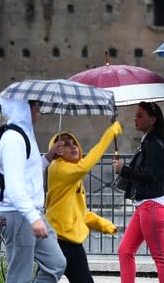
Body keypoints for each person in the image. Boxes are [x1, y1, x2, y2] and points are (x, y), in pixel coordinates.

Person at [0, 98, 66, 282]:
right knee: (20, 276)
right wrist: (33, 218)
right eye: (34, 105)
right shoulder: (13, 139)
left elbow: (29, 172)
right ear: (22, 108)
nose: (38, 110)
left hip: (28, 212)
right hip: (17, 212)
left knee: (55, 263)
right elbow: (14, 186)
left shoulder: (25, 135)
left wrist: (49, 156)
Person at [45, 120, 123, 283]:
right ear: (57, 150)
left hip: (69, 240)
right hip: (59, 240)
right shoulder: (59, 168)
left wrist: (104, 225)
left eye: (74, 143)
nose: (73, 147)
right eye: (65, 144)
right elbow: (86, 165)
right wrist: (109, 134)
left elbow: (78, 212)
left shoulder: (73, 176)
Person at [113, 102, 164, 283]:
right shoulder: (148, 142)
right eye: (135, 115)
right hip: (144, 205)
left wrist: (124, 169)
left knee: (160, 257)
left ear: (153, 119)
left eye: (140, 116)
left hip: (152, 205)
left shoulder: (154, 144)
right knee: (125, 250)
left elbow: (150, 175)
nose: (135, 119)